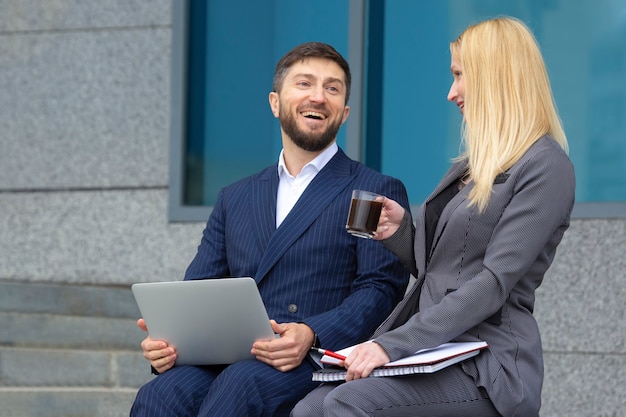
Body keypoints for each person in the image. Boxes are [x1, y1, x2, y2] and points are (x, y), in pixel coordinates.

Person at [291, 17, 575, 417]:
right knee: (308, 409)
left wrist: (390, 345)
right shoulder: (469, 166)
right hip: (435, 350)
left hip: (486, 364)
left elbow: (492, 283)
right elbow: (441, 267)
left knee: (348, 404)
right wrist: (400, 231)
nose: (451, 92)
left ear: (494, 76)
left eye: (460, 76)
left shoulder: (546, 166)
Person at [130, 42, 411, 416]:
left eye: (332, 88)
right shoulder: (235, 197)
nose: (318, 96)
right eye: (305, 83)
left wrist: (311, 332)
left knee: (241, 386)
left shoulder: (370, 192)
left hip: (314, 357)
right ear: (275, 103)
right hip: (231, 354)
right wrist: (169, 341)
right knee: (158, 395)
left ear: (344, 113)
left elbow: (379, 289)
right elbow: (199, 290)